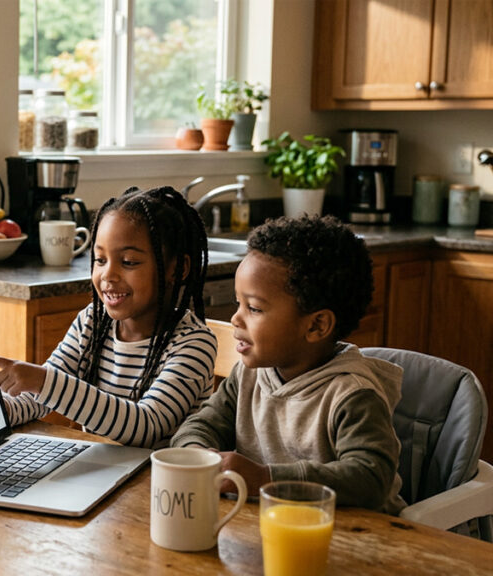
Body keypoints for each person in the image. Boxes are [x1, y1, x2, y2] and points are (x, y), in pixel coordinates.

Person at [171, 215, 405, 514]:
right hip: (274, 527)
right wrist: (197, 453)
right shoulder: (249, 374)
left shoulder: (352, 394)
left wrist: (266, 478)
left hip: (361, 538)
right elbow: (202, 423)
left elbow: (370, 478)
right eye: (238, 303)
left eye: (254, 308)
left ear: (316, 325)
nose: (236, 318)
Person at [0, 186, 217, 449]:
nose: (108, 275)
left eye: (129, 262)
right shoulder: (92, 323)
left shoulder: (194, 344)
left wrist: (43, 380)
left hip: (159, 485)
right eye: (100, 260)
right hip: (102, 472)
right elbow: (39, 397)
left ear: (178, 268)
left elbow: (146, 426)